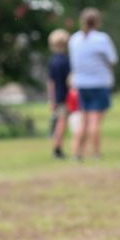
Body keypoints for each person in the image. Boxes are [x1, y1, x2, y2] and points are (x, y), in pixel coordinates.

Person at [68, 8, 118, 161]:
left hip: (81, 84)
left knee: (83, 119)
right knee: (95, 120)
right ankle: (96, 153)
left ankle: (77, 152)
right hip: (99, 83)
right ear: (97, 22)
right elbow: (113, 60)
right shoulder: (101, 39)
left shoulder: (74, 39)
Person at [46, 28, 71, 159]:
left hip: (57, 95)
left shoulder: (52, 62)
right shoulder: (67, 61)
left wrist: (51, 99)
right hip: (66, 96)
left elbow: (51, 83)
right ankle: (57, 148)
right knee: (62, 122)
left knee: (60, 121)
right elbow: (69, 80)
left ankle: (58, 146)